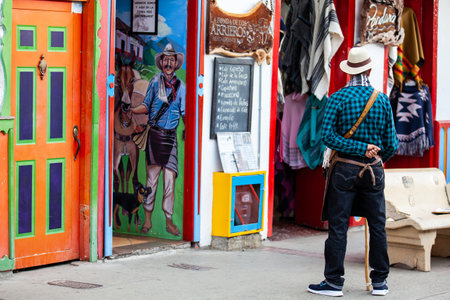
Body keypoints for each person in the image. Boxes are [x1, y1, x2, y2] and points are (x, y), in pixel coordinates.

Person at [308, 47, 399, 297]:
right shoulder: (381, 99)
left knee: (338, 226)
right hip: (373, 171)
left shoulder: (337, 98)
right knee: (378, 226)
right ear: (369, 70)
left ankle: (334, 283)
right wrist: (375, 156)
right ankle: (380, 282)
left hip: (344, 170)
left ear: (350, 72)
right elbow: (391, 144)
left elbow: (328, 137)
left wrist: (357, 148)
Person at [130, 43, 185, 236]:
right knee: (151, 181)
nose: (168, 63)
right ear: (161, 62)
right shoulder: (154, 82)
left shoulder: (181, 87)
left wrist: (187, 129)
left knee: (170, 181)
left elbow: (184, 111)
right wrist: (132, 109)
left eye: (172, 60)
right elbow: (146, 105)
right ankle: (147, 220)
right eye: (166, 60)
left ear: (175, 63)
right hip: (155, 136)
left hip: (170, 139)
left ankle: (169, 220)